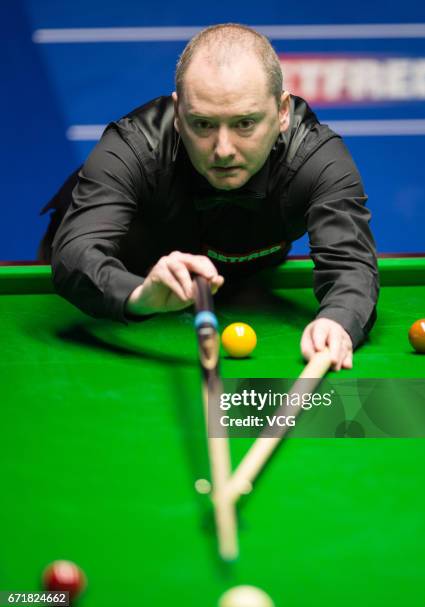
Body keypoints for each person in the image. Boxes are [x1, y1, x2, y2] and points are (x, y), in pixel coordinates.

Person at [40, 23, 379, 371]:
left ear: (282, 113)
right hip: (122, 274)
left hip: (234, 273)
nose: (223, 150)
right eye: (202, 124)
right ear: (178, 113)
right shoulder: (134, 147)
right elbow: (75, 255)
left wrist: (339, 320)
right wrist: (140, 295)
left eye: (245, 123)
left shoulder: (316, 159)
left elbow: (351, 264)